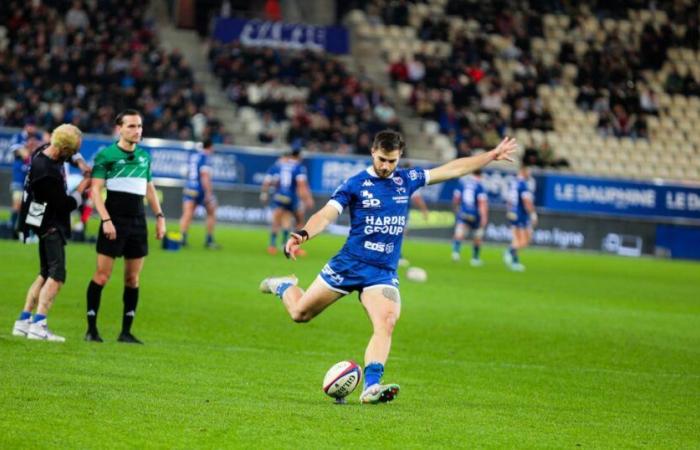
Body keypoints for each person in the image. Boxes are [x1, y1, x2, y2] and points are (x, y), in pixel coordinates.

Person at [259, 130, 516, 404]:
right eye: (382, 159)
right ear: (372, 152)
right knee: (300, 314)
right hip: (349, 265)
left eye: (392, 161)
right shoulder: (355, 184)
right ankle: (285, 285)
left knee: (387, 322)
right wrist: (303, 234)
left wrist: (490, 156)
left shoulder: (407, 180)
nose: (386, 166)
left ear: (399, 157)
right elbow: (325, 214)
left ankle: (371, 386)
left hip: (381, 273)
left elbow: (451, 170)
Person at [84, 110, 166, 344]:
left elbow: (149, 187)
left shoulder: (144, 157)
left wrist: (159, 216)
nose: (137, 130)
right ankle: (91, 329)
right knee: (102, 275)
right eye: (131, 126)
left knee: (133, 279)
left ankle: (126, 332)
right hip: (114, 220)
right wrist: (106, 219)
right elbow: (95, 191)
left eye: (139, 126)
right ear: (119, 128)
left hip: (138, 222)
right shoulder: (106, 155)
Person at [11, 124, 91, 341]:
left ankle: (24, 320)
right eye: (72, 151)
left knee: (45, 272)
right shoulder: (47, 173)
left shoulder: (44, 151)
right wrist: (85, 185)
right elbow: (65, 205)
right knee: (57, 274)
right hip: (50, 221)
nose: (73, 155)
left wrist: (80, 162)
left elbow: (71, 156)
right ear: (64, 149)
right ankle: (39, 324)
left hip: (37, 215)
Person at [260, 148, 314, 255]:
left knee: (279, 219)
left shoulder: (279, 165)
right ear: (299, 157)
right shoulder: (299, 167)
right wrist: (306, 199)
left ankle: (272, 245)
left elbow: (268, 181)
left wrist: (264, 194)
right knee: (299, 221)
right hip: (292, 196)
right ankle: (294, 247)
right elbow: (301, 185)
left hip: (279, 195)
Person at [179, 139, 220, 249]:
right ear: (210, 147)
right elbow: (204, 176)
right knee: (211, 212)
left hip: (189, 187)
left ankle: (182, 238)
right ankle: (209, 240)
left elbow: (186, 172)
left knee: (187, 213)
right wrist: (208, 194)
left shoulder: (193, 156)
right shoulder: (206, 158)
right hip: (200, 189)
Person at [504, 158, 537, 271]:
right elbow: (526, 201)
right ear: (523, 171)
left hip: (513, 212)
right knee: (525, 240)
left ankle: (515, 262)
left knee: (517, 239)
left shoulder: (513, 182)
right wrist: (533, 214)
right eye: (529, 171)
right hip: (520, 214)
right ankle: (509, 252)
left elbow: (508, 200)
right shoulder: (522, 184)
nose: (530, 173)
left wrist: (509, 211)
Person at [451, 168, 488, 265]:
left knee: (460, 232)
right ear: (480, 175)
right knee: (477, 235)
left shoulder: (463, 183)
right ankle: (475, 259)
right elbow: (481, 203)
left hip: (463, 212)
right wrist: (484, 217)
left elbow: (456, 198)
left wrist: (456, 209)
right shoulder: (480, 186)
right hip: (475, 214)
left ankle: (455, 253)